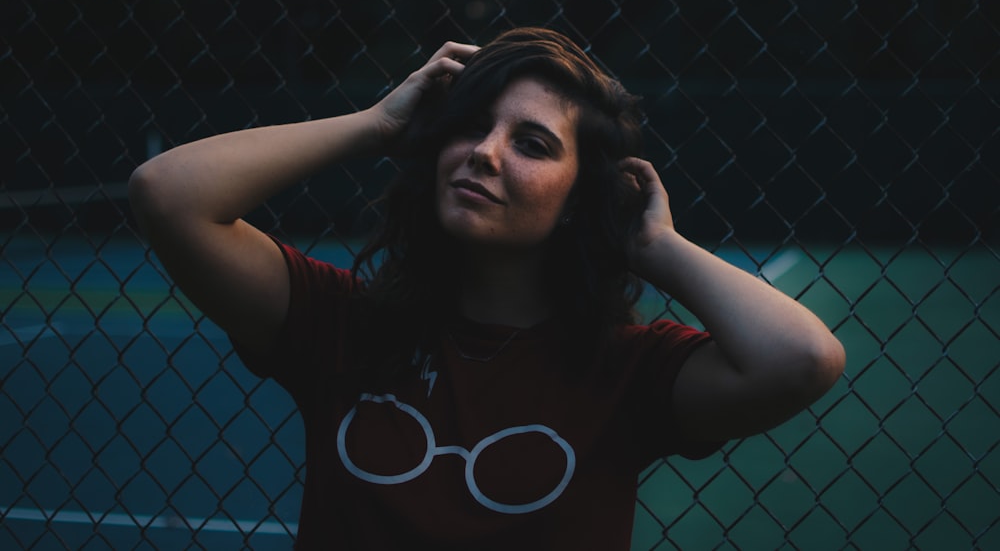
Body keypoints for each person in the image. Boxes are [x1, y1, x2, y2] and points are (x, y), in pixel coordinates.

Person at [128, 27, 845, 549]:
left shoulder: (625, 371)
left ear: (578, 198)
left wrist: (653, 245)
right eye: (471, 126)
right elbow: (168, 194)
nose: (485, 151)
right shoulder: (342, 323)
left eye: (531, 143)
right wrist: (376, 123)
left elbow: (803, 358)